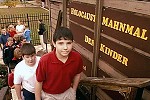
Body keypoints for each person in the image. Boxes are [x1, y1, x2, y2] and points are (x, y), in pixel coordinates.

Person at [35, 27, 83, 100]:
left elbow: (78, 74)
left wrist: (73, 90)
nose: (65, 47)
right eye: (61, 43)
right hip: (49, 95)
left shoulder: (77, 58)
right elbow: (39, 82)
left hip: (67, 92)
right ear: (54, 43)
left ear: (72, 43)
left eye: (68, 43)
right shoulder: (45, 60)